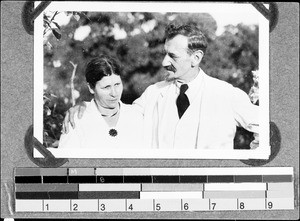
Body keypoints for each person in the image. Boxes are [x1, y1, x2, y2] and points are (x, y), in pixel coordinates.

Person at [63, 23, 259, 150]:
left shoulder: (226, 94)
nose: (164, 62)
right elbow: (120, 114)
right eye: (165, 53)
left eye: (173, 56)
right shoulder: (153, 93)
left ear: (196, 58)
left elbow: (269, 129)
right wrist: (84, 107)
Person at [58, 55, 143, 149]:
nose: (114, 93)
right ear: (91, 88)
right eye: (106, 87)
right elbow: (66, 160)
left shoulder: (136, 115)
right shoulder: (77, 120)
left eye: (117, 84)